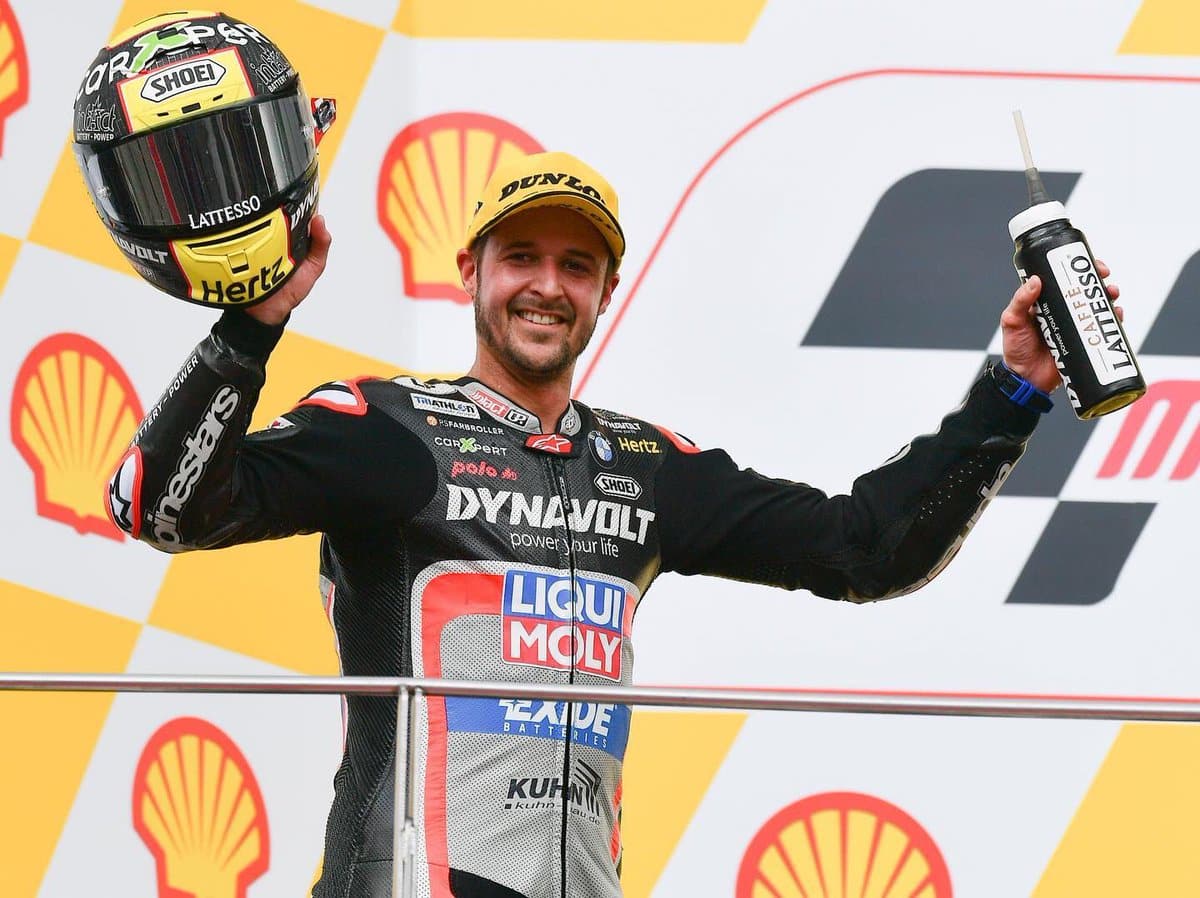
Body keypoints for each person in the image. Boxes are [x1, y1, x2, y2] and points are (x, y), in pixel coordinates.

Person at [108, 150, 1120, 898]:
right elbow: (157, 507)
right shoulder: (386, 429)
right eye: (522, 256)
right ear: (471, 269)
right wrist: (255, 322)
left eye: (577, 265)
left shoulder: (646, 468)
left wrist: (1013, 390)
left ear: (605, 292)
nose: (548, 285)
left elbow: (867, 550)